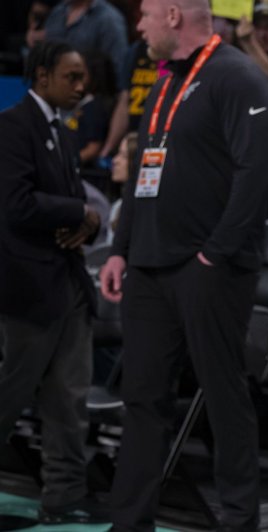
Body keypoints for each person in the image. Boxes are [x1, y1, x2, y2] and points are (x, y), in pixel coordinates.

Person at [98, 0, 268, 529]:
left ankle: (240, 522)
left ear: (173, 15)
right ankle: (130, 522)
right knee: (141, 399)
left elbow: (257, 171)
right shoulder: (162, 84)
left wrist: (214, 252)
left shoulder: (236, 76)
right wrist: (119, 249)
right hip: (150, 268)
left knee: (224, 396)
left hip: (210, 269)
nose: (139, 25)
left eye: (145, 15)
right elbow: (138, 175)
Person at [0, 40, 103, 524]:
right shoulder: (12, 126)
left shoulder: (63, 133)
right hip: (24, 291)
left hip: (67, 287)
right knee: (9, 398)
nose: (82, 87)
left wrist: (90, 222)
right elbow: (16, 204)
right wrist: (75, 211)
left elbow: (72, 206)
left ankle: (64, 499)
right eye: (72, 77)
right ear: (42, 76)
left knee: (69, 400)